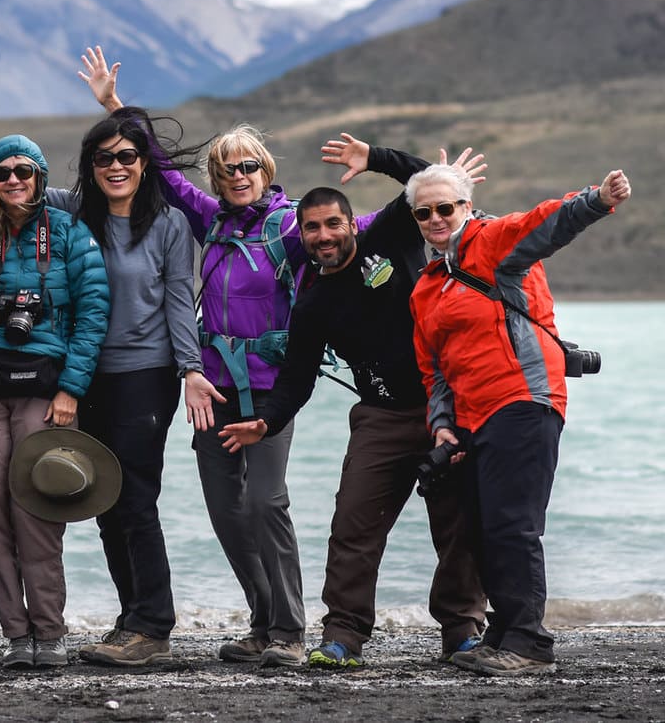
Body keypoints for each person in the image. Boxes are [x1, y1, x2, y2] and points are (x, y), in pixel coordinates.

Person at [77, 45, 380, 668]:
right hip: (213, 390)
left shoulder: (296, 227)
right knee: (227, 514)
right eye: (227, 170)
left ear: (266, 170)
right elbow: (159, 170)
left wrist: (439, 198)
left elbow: (367, 226)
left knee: (267, 503)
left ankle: (291, 631)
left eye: (247, 166)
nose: (237, 176)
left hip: (273, 389)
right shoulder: (209, 218)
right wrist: (115, 107)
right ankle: (262, 621)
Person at [218, 138, 489, 671]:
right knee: (353, 525)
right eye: (312, 228)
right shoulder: (314, 301)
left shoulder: (390, 234)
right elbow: (296, 378)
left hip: (445, 409)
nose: (323, 236)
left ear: (351, 225)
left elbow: (428, 182)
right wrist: (266, 420)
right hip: (380, 417)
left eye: (333, 225)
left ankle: (461, 630)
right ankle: (343, 636)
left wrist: (377, 159)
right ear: (302, 234)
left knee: (457, 524)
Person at [408, 159, 632, 677]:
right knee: (486, 528)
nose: (436, 219)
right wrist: (442, 423)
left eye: (446, 207)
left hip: (524, 398)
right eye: (424, 213)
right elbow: (433, 369)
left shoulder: (490, 241)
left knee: (513, 525)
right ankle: (505, 634)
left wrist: (595, 199)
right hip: (472, 417)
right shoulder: (426, 287)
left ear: (466, 206)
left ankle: (529, 644)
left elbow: (542, 224)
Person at [52, 111, 200, 668]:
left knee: (136, 499)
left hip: (146, 376)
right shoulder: (74, 211)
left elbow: (180, 301)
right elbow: (15, 178)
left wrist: (190, 368)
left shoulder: (168, 224)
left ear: (144, 164)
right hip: (87, 374)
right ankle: (131, 616)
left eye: (127, 157)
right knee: (104, 501)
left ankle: (154, 625)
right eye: (104, 158)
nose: (116, 167)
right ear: (91, 167)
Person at [0, 135, 111, 669]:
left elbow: (94, 316)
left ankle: (50, 632)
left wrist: (71, 389)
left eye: (25, 170)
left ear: (41, 177)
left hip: (45, 390)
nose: (14, 180)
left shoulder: (71, 234)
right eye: (2, 173)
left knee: (38, 505)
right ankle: (15, 635)